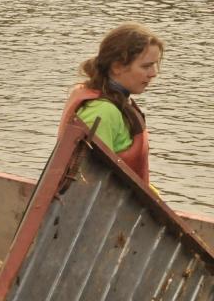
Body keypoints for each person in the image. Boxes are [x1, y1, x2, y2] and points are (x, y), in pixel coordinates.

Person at [59, 23, 163, 184]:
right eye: (146, 66)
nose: (153, 73)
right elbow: (86, 182)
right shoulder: (101, 111)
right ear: (117, 67)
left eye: (155, 64)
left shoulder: (116, 101)